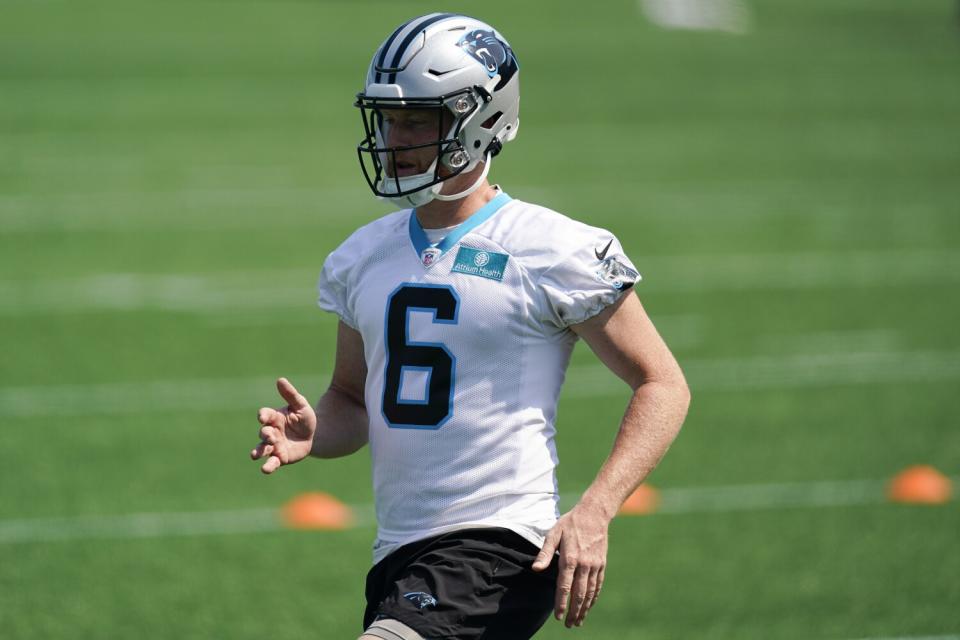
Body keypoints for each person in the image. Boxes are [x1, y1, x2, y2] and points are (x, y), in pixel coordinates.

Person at [251, 13, 690, 640]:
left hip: (500, 547)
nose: (395, 138)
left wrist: (597, 508)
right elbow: (352, 400)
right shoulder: (360, 258)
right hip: (400, 552)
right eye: (389, 119)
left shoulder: (551, 249)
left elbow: (663, 384)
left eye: (417, 120)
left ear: (480, 121)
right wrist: (316, 432)